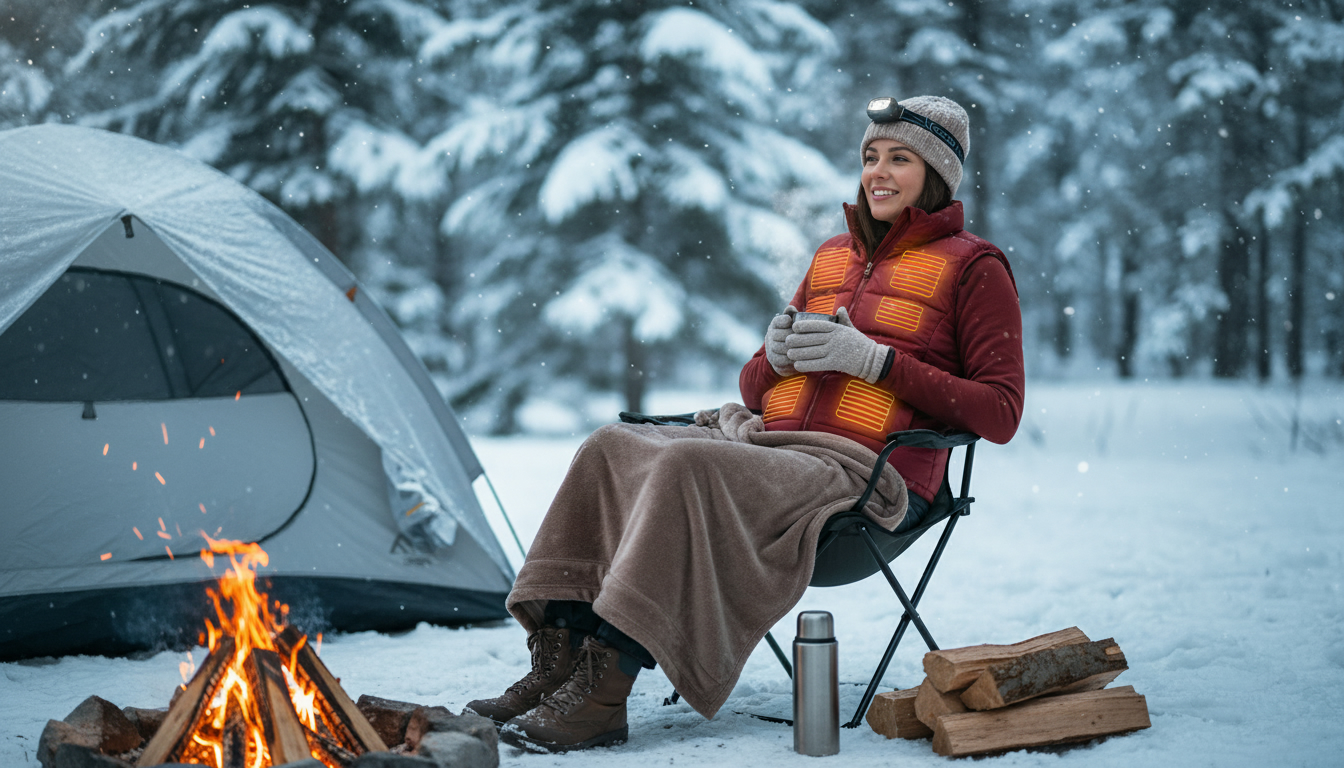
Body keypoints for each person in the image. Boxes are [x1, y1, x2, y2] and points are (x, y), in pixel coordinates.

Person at [465, 95, 1025, 753]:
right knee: (611, 445)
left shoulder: (975, 267)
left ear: (935, 174)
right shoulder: (831, 257)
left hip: (869, 479)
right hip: (771, 448)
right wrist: (775, 357)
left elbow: (1001, 412)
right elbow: (756, 388)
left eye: (899, 159)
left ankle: (605, 688)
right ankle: (557, 666)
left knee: (685, 463)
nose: (878, 171)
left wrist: (879, 363)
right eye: (871, 156)